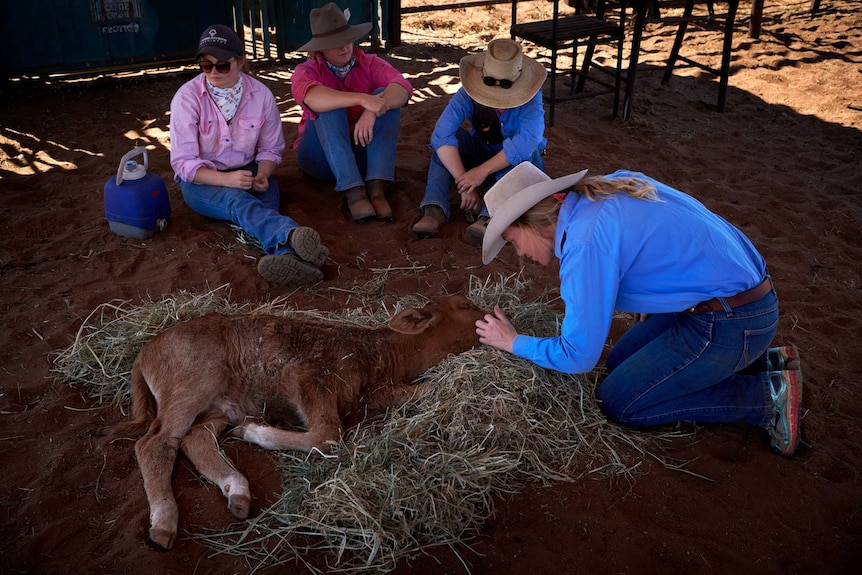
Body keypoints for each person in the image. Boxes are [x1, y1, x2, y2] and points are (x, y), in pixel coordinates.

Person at [474, 162, 803, 457]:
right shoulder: (608, 187)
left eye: (512, 239)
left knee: (620, 402)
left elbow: (578, 355)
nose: (517, 252)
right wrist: (652, 298)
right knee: (618, 363)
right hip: (742, 301)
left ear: (531, 221)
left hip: (731, 320)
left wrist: (513, 341)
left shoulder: (583, 244)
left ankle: (764, 398)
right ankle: (762, 361)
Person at [170, 24, 328, 286]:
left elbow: (271, 149)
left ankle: (287, 255)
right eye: (206, 66)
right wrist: (228, 180)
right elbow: (183, 163)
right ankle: (292, 237)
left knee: (262, 207)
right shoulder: (186, 98)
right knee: (240, 202)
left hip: (250, 171)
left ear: (240, 62)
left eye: (222, 65)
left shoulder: (262, 95)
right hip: (201, 181)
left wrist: (264, 173)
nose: (213, 72)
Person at [412, 38, 547, 244]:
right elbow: (442, 134)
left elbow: (527, 141)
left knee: (528, 157)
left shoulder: (532, 97)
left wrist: (481, 172)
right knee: (450, 142)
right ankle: (434, 208)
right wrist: (466, 183)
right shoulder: (467, 93)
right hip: (481, 152)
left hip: (515, 164)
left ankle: (489, 217)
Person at [291, 3, 413, 222]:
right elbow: (311, 97)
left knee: (385, 97)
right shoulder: (306, 70)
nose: (344, 47)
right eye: (334, 43)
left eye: (347, 39)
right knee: (328, 105)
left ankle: (376, 187)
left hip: (361, 151)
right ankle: (354, 191)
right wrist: (362, 99)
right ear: (320, 48)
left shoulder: (369, 62)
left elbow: (402, 88)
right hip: (320, 159)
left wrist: (373, 110)